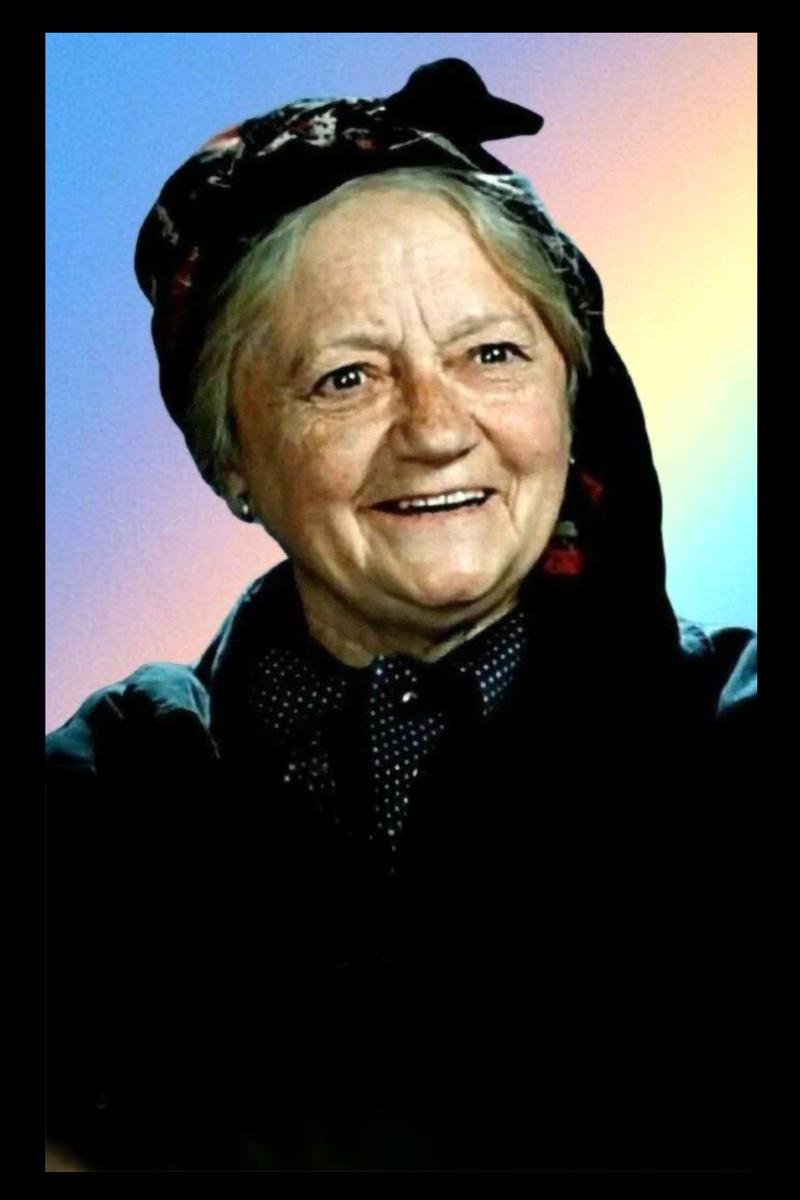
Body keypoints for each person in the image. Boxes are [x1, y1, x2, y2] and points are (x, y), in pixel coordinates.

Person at [46, 59, 757, 1171]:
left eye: (491, 353)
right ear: (229, 455)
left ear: (572, 397)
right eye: (345, 378)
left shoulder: (732, 736)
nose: (434, 429)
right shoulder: (105, 801)